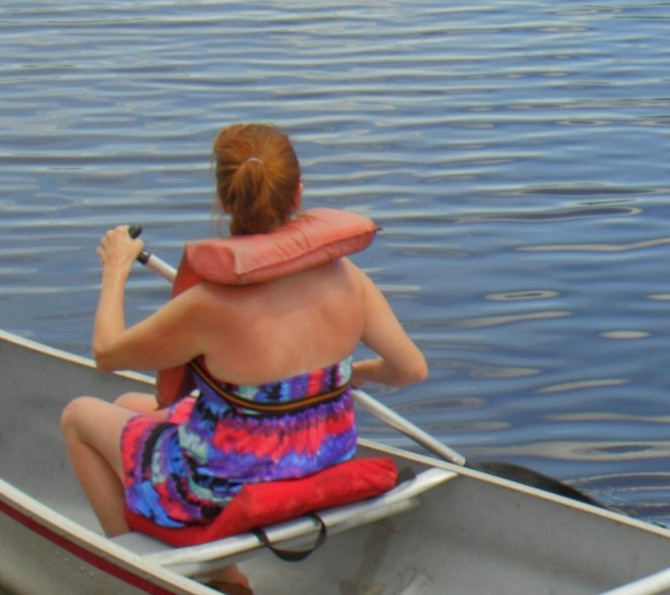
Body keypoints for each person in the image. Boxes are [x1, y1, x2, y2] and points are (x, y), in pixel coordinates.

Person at [58, 124, 427, 555]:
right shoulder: (350, 280)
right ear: (297, 196)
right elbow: (410, 370)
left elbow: (107, 353)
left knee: (79, 416)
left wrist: (115, 268)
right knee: (127, 407)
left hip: (219, 491)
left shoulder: (207, 306)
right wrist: (352, 375)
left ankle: (148, 565)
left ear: (224, 201)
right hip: (321, 461)